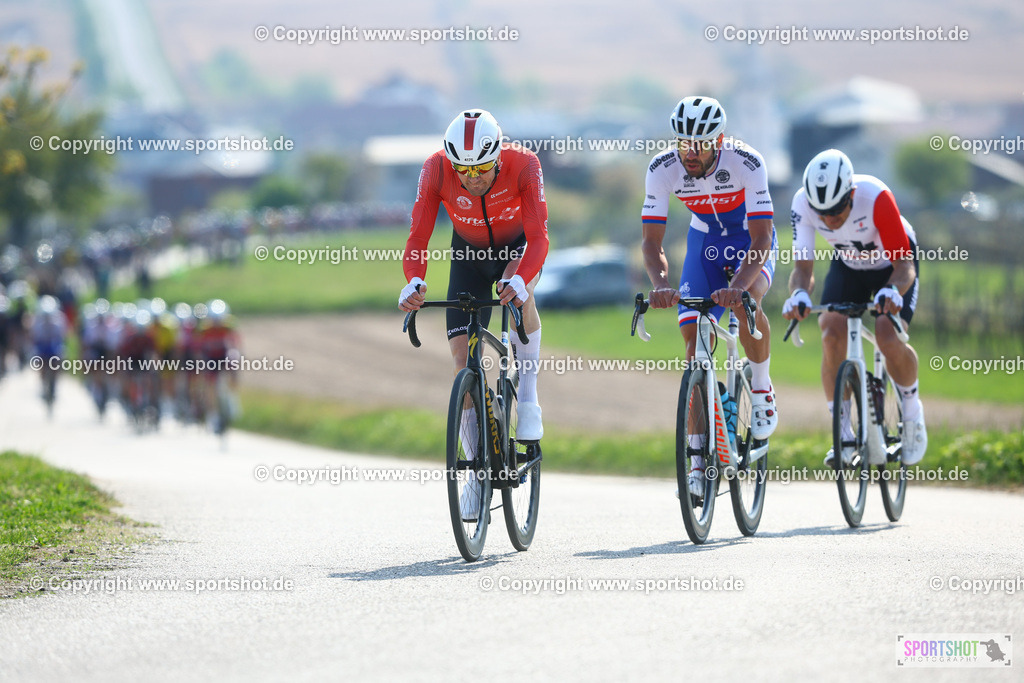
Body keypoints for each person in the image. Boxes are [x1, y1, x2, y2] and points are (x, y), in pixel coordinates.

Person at [398, 108, 550, 521]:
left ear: (498, 156)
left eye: (482, 167)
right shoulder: (435, 169)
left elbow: (538, 237)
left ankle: (530, 398)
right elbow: (418, 235)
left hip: (516, 250)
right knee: (462, 361)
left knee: (519, 296)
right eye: (463, 169)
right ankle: (474, 474)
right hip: (467, 255)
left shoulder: (525, 164)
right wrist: (413, 281)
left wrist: (520, 281)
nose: (472, 177)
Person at [641, 96, 779, 498]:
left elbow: (762, 238)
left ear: (719, 140)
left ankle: (761, 385)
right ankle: (699, 457)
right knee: (693, 342)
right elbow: (652, 242)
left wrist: (737, 288)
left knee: (749, 298)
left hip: (746, 240)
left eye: (700, 144)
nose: (691, 153)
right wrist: (661, 283)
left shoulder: (747, 162)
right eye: (684, 143)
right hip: (703, 241)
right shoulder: (662, 168)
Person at [782, 149, 926, 466]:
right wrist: (799, 296)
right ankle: (843, 434)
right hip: (849, 265)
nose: (830, 220)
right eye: (822, 214)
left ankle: (913, 413)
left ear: (852, 193)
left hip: (893, 266)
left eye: (836, 210)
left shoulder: (875, 196)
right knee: (831, 332)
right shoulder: (801, 204)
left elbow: (905, 266)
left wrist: (892, 291)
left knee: (888, 335)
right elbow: (802, 271)